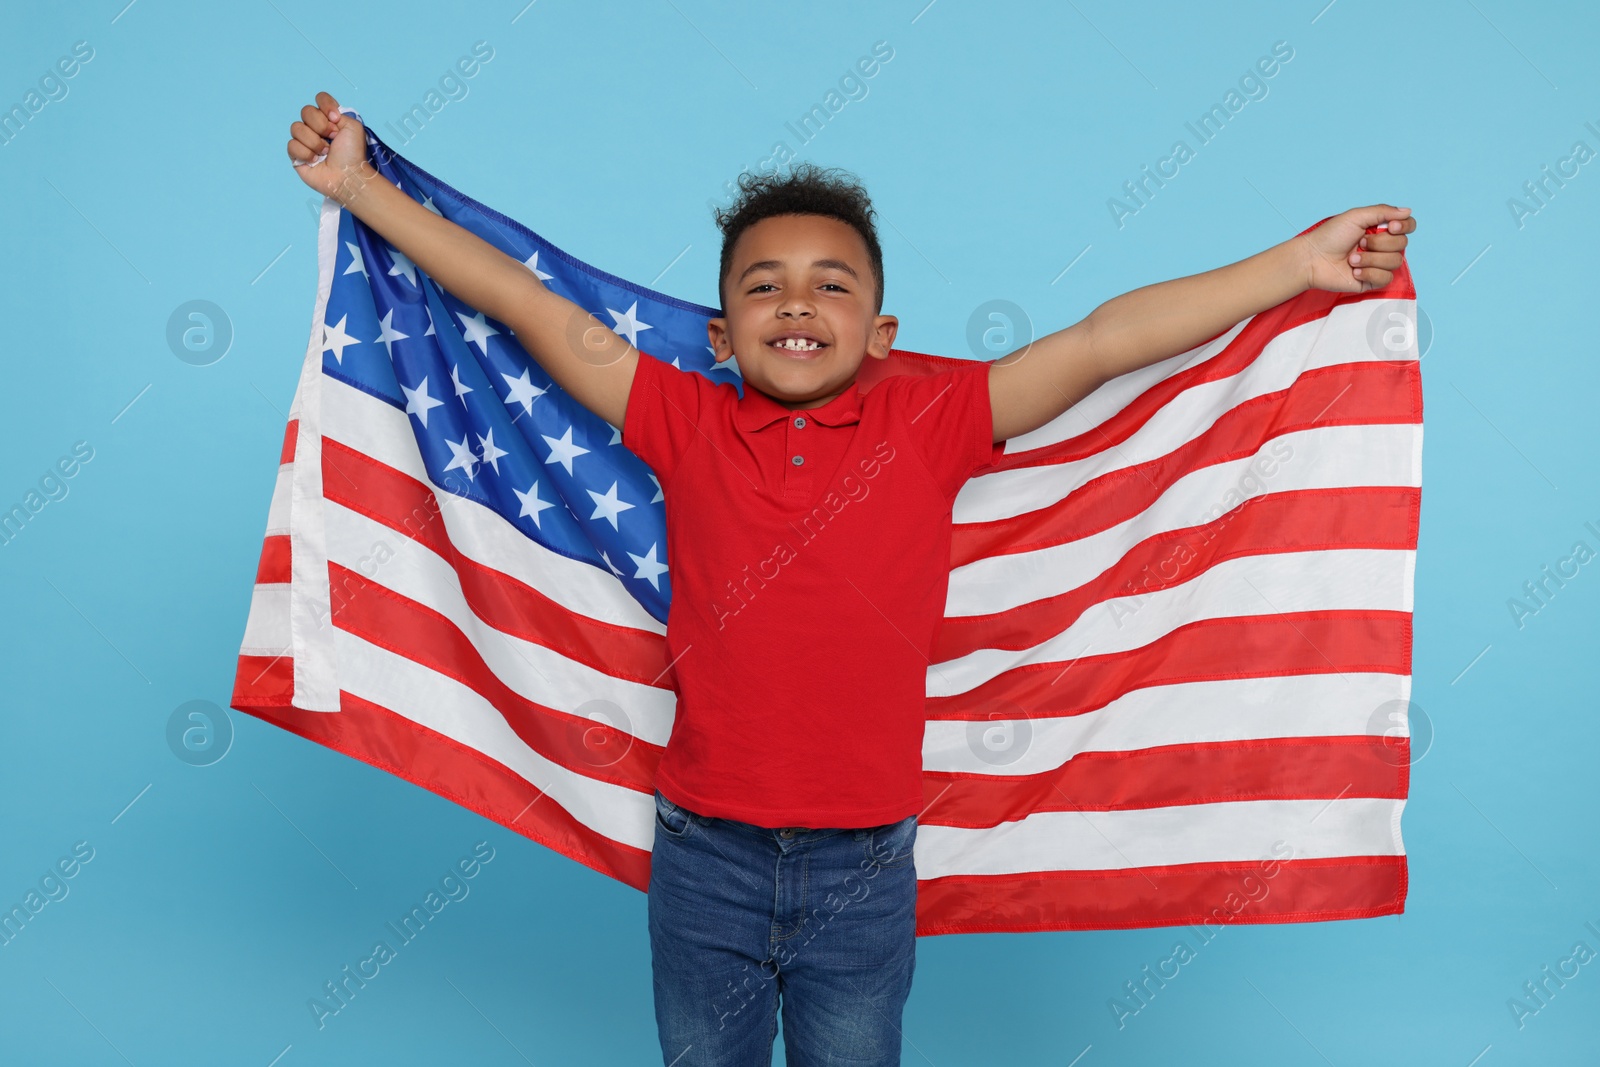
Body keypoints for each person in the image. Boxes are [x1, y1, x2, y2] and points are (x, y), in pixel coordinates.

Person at [285, 90, 1416, 1066]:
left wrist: (1293, 265)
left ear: (880, 331)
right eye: (763, 285)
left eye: (830, 286)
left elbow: (1100, 342)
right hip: (703, 859)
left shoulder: (934, 419)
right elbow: (531, 305)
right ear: (722, 337)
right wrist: (362, 189)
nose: (795, 301)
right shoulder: (679, 417)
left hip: (865, 868)